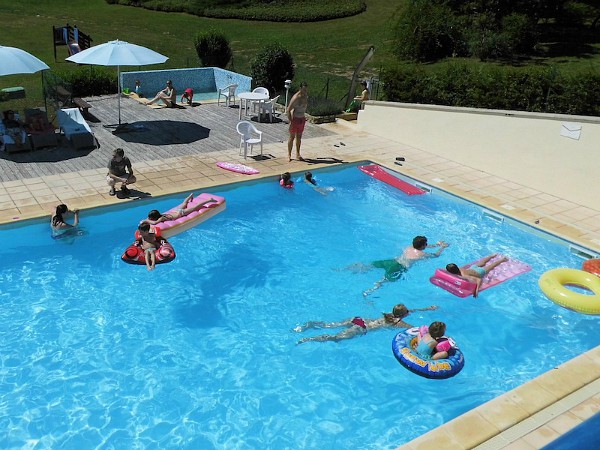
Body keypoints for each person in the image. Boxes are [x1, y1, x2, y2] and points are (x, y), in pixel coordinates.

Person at [346, 235, 449, 296]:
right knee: (383, 280)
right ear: (423, 246)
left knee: (370, 266)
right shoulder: (421, 254)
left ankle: (347, 268)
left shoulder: (410, 247)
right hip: (399, 268)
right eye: (426, 244)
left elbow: (424, 247)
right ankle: (369, 291)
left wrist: (436, 244)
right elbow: (435, 256)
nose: (427, 245)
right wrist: (442, 247)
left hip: (392, 261)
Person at [295, 304, 439, 344]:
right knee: (335, 338)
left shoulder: (390, 314)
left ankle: (310, 325)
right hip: (360, 329)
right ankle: (309, 339)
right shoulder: (399, 323)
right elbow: (414, 329)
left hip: (358, 320)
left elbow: (409, 310)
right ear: (402, 315)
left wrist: (426, 308)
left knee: (329, 325)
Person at [141, 193, 217, 225]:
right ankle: (190, 196)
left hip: (181, 213)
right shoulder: (161, 215)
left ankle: (209, 200)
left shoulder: (161, 218)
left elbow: (154, 223)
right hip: (176, 211)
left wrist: (145, 220)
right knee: (184, 203)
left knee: (195, 207)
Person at [286, 82, 308, 162]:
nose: (305, 91)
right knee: (292, 137)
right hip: (295, 119)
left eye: (306, 89)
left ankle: (298, 154)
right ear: (300, 88)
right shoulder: (296, 97)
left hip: (302, 119)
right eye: (303, 89)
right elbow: (288, 110)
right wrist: (290, 121)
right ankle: (289, 155)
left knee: (299, 137)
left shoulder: (305, 96)